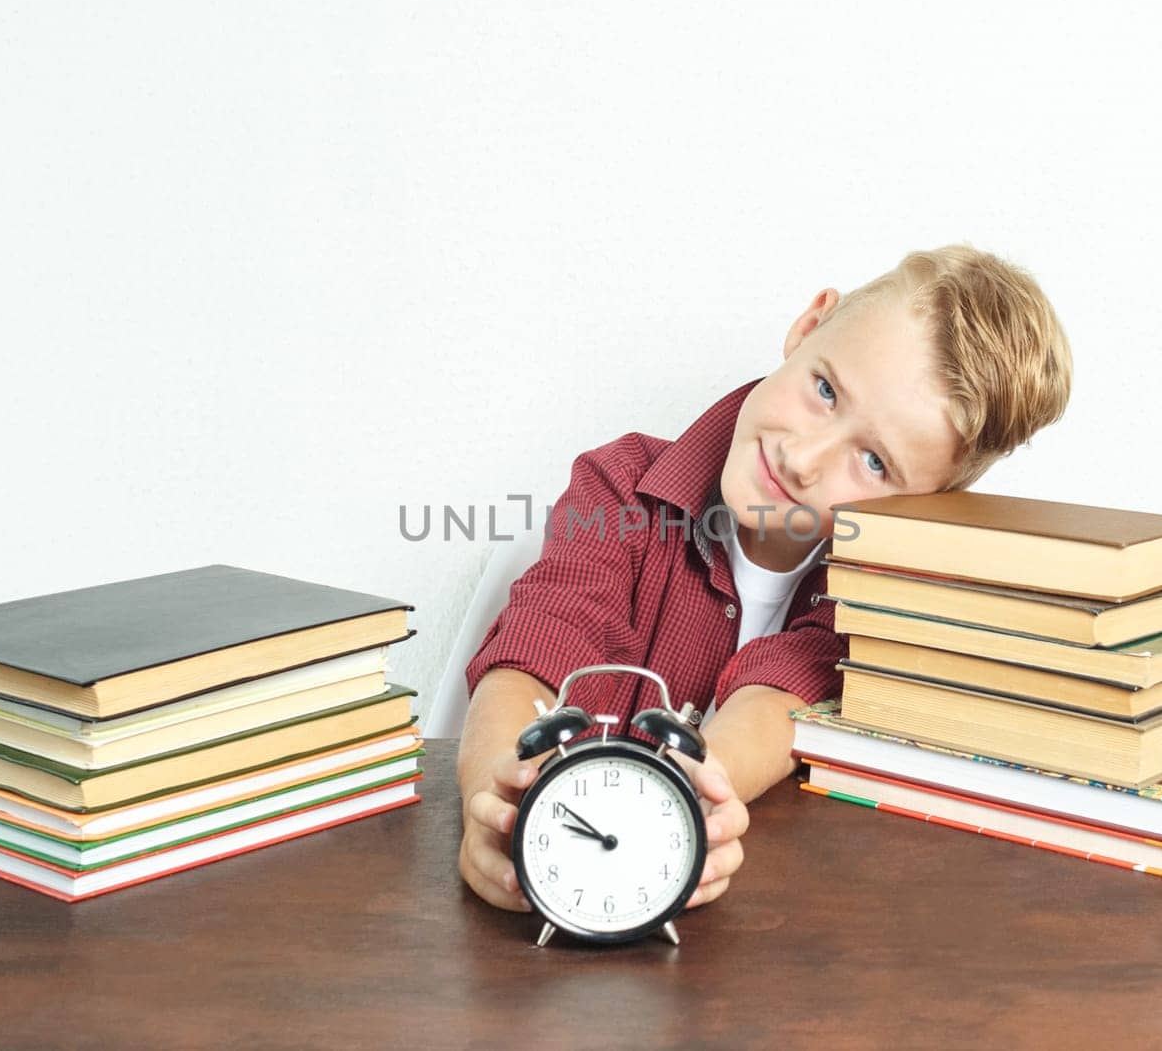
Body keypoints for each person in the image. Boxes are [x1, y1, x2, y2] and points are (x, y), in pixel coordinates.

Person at [456, 244, 1074, 912]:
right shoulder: (620, 490)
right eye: (825, 390)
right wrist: (496, 802)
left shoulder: (877, 601)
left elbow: (780, 701)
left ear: (925, 502)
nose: (803, 458)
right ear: (808, 327)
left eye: (873, 462)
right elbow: (542, 643)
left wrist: (690, 800)